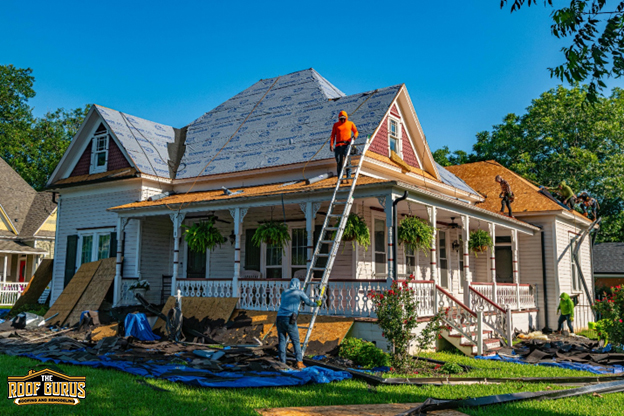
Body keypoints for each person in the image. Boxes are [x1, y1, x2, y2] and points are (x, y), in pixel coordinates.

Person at [275, 278, 321, 369]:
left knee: (282, 341)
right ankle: (299, 363)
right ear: (298, 285)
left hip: (279, 317)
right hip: (289, 318)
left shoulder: (285, 292)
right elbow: (308, 302)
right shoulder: (299, 292)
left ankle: (282, 363)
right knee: (296, 341)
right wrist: (317, 304)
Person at [330, 111, 358, 181]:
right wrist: (331, 145)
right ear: (339, 118)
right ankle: (340, 178)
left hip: (346, 145)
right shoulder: (336, 125)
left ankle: (348, 177)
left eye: (343, 118)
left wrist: (354, 136)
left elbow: (356, 131)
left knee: (347, 161)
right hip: (338, 145)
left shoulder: (350, 123)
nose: (342, 120)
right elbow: (333, 136)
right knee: (339, 162)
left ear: (346, 118)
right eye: (341, 118)